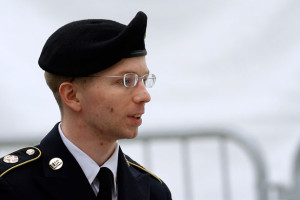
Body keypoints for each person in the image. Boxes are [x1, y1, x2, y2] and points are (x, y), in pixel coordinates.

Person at [0, 11, 172, 200]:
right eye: (126, 81)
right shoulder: (12, 187)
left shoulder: (153, 192)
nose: (144, 96)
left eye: (144, 79)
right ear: (72, 96)